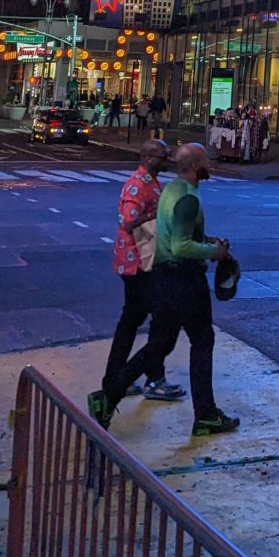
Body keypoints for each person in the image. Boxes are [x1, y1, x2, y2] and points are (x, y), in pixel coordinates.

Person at [90, 143, 238, 438]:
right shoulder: (188, 199)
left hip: (164, 279)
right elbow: (181, 245)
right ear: (196, 165)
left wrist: (209, 240)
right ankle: (206, 415)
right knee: (202, 340)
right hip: (185, 279)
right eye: (205, 160)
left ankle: (109, 395)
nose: (209, 164)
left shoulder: (169, 190)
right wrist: (214, 252)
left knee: (160, 344)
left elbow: (171, 232)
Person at [100, 139, 184, 403]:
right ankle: (152, 378)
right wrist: (157, 216)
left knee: (133, 319)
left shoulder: (151, 183)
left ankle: (117, 376)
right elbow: (128, 222)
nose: (167, 159)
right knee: (157, 319)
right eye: (163, 155)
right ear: (148, 158)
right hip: (138, 262)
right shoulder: (137, 185)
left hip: (139, 261)